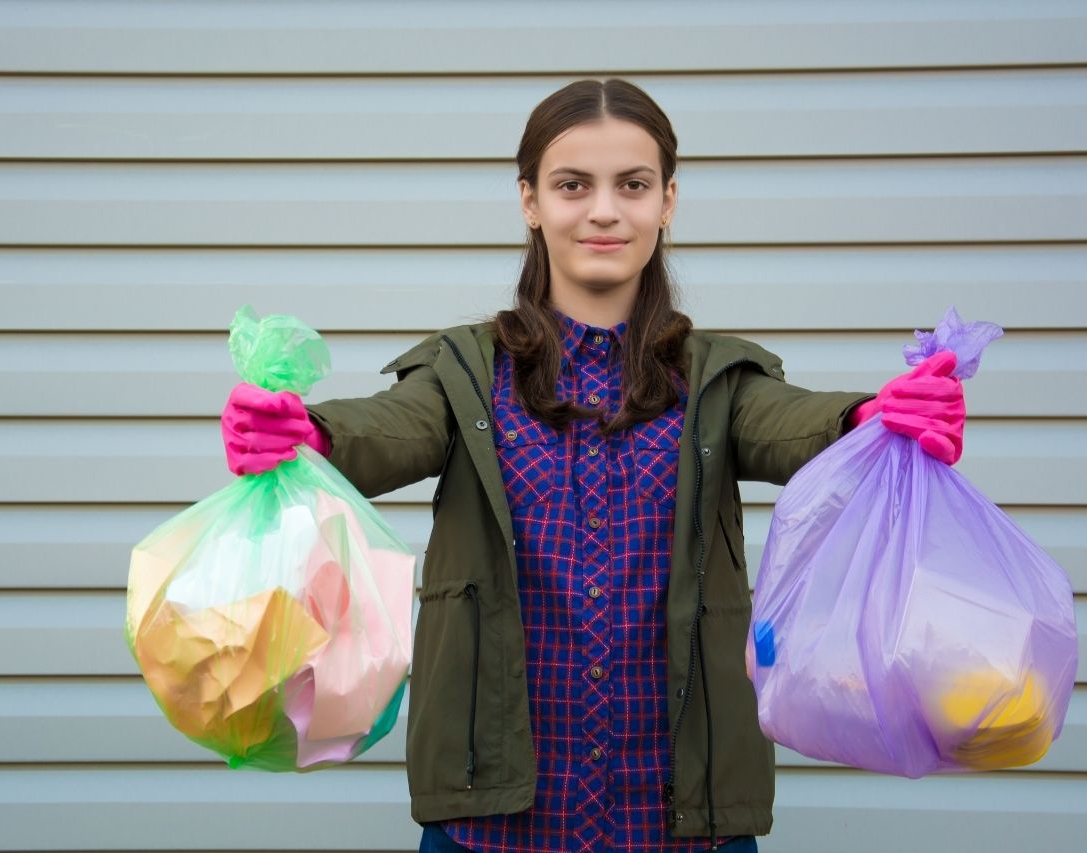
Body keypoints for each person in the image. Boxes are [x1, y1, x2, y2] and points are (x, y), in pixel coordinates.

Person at [220, 79, 965, 853]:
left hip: (685, 823)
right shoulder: (464, 374)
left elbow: (795, 422)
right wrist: (305, 431)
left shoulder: (716, 381)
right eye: (573, 185)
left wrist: (873, 418)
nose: (604, 210)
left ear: (668, 201)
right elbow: (386, 429)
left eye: (633, 185)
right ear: (530, 201)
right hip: (493, 822)